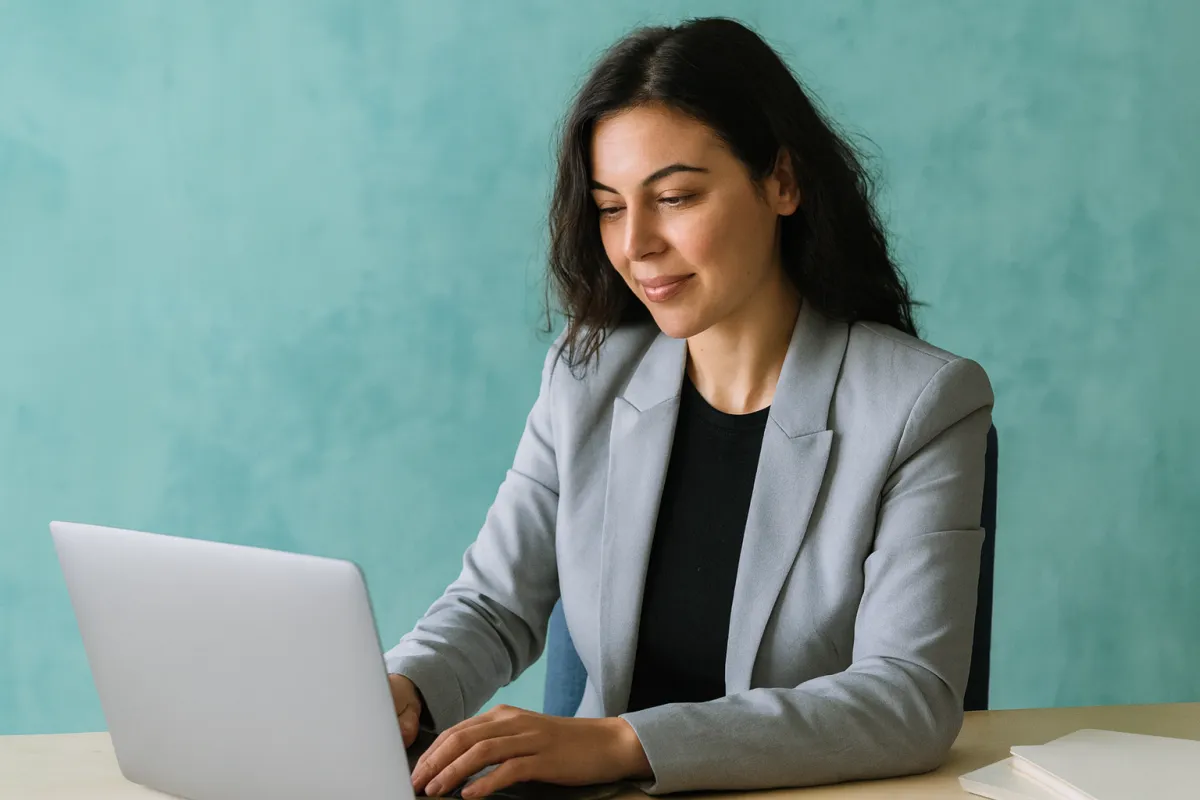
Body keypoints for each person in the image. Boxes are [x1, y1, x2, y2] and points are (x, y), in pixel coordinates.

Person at [386, 16, 994, 798]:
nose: (636, 243)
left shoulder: (921, 404)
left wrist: (623, 742)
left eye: (674, 197)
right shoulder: (587, 375)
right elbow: (493, 604)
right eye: (610, 206)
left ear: (781, 181)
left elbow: (909, 697)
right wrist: (404, 691)